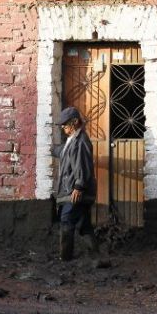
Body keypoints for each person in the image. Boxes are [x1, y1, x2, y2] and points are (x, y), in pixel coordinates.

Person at [53, 106, 99, 261]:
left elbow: (82, 166)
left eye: (65, 124)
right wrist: (50, 148)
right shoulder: (72, 141)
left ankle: (65, 258)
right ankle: (97, 258)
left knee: (66, 219)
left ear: (75, 122)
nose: (63, 127)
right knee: (84, 225)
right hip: (74, 189)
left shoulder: (80, 141)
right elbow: (63, 153)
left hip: (75, 191)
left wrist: (79, 187)